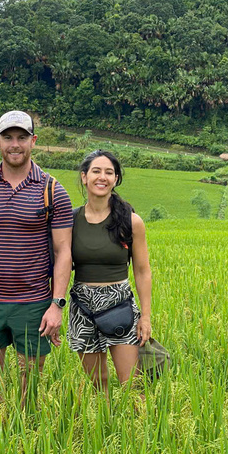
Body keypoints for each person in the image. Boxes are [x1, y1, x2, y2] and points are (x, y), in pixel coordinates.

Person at [0, 110, 73, 406]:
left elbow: (63, 252)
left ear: (34, 141)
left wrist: (57, 304)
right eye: (8, 137)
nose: (14, 144)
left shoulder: (52, 190)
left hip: (33, 302)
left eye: (21, 137)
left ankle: (26, 440)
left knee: (30, 380)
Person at [68, 150, 152, 399]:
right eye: (96, 171)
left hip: (120, 305)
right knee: (98, 386)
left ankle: (139, 434)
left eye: (109, 172)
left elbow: (142, 270)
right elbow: (59, 265)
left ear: (115, 179)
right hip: (83, 306)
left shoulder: (130, 221)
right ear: (84, 177)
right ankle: (105, 429)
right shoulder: (71, 220)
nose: (102, 177)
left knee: (132, 386)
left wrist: (145, 316)